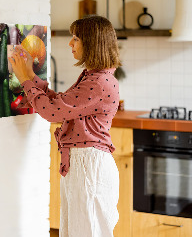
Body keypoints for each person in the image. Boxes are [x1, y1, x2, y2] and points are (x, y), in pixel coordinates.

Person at [9, 15, 121, 237]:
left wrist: (25, 80)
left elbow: (52, 112)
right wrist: (31, 75)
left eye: (76, 38)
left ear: (92, 43)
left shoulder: (98, 82)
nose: (70, 43)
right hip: (84, 164)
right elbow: (60, 103)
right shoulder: (94, 77)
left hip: (89, 167)